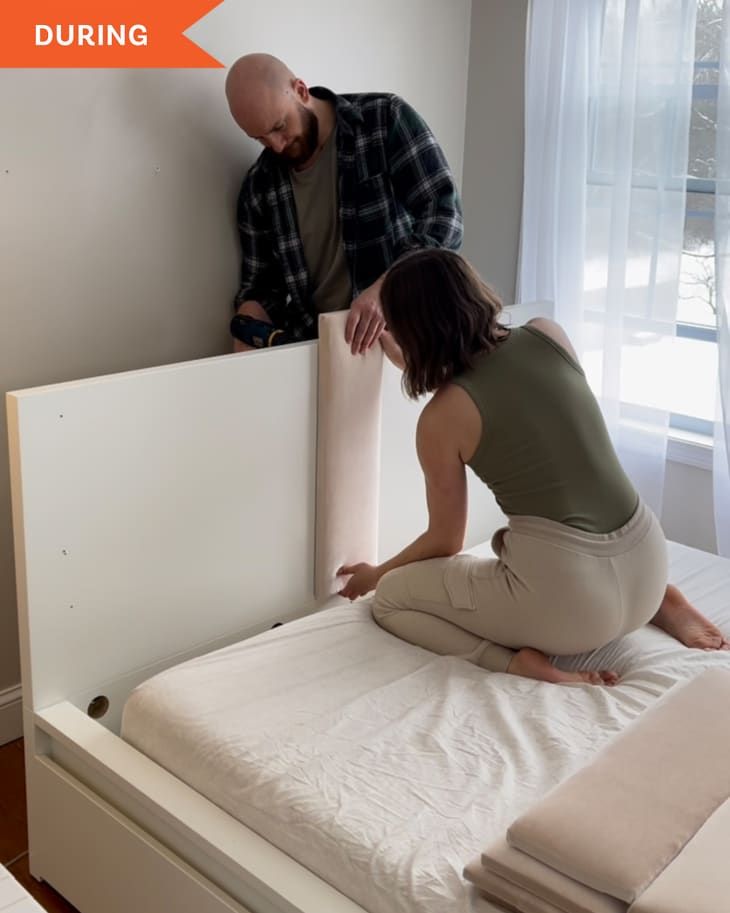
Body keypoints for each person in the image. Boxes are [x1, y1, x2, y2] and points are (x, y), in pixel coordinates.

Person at [337, 249, 730, 685]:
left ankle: (511, 663)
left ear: (413, 332)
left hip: (574, 607)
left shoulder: (441, 418)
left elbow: (445, 540)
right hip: (649, 556)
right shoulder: (548, 334)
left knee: (391, 599)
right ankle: (661, 600)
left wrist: (375, 575)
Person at [224, 53, 463, 354]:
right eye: (259, 138)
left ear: (300, 90)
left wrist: (389, 288)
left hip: (403, 336)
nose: (276, 145)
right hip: (318, 349)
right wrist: (251, 314)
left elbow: (445, 215)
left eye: (279, 126)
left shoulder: (384, 120)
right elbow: (262, 284)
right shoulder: (258, 186)